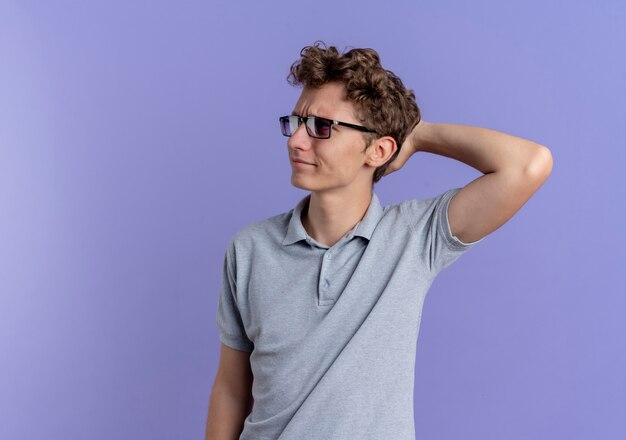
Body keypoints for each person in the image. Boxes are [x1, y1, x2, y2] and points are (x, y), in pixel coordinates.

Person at [205, 40, 553, 440]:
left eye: (321, 127)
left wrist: (418, 135)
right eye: (296, 122)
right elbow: (231, 390)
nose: (296, 141)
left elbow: (529, 164)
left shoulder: (414, 238)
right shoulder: (249, 249)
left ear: (380, 150)